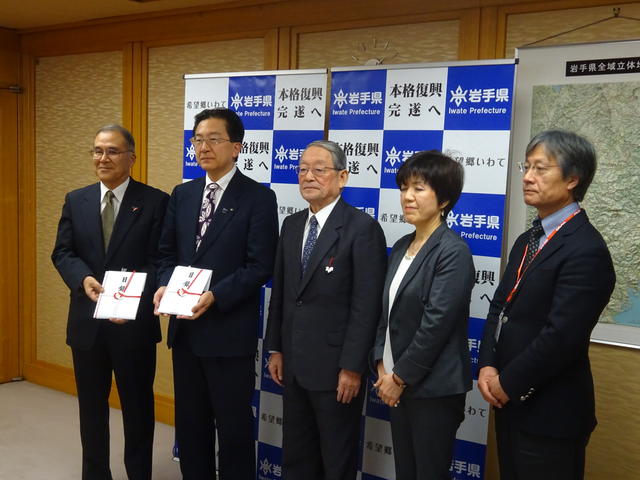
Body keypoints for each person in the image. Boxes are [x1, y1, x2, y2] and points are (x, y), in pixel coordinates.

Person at [478, 130, 616, 480]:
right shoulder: (529, 239)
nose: (527, 177)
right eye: (527, 167)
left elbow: (561, 338)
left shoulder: (586, 249)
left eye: (541, 168)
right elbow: (499, 307)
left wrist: (507, 383)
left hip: (550, 412)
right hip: (508, 401)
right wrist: (488, 366)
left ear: (572, 178)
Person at [153, 108, 279, 479]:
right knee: (191, 425)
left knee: (234, 427)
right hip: (185, 330)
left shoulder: (258, 197)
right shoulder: (183, 193)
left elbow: (260, 266)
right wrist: (163, 283)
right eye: (197, 139)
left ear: (237, 147)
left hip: (227, 330)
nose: (203, 147)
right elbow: (166, 253)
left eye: (213, 139)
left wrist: (215, 296)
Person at [51, 125, 169, 479]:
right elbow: (63, 252)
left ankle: (138, 473)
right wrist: (82, 278)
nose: (103, 158)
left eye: (113, 151)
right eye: (98, 151)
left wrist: (131, 300)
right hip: (88, 323)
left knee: (137, 408)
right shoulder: (77, 199)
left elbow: (160, 259)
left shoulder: (155, 201)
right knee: (91, 409)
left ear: (131, 157)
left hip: (132, 326)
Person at [265, 140, 387, 480]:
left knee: (336, 461)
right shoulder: (291, 226)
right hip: (293, 363)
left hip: (336, 371)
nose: (308, 176)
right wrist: (275, 347)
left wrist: (351, 367)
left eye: (319, 169)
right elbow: (282, 294)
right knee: (296, 456)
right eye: (303, 169)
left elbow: (367, 306)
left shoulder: (362, 229)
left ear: (343, 176)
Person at [371, 150, 474, 480]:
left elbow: (436, 325)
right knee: (406, 472)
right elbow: (385, 314)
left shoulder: (453, 251)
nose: (407, 197)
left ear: (443, 199)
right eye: (404, 188)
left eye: (418, 188)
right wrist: (380, 365)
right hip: (396, 382)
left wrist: (398, 377)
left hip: (433, 390)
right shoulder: (402, 245)